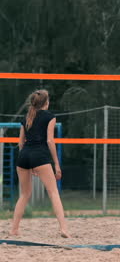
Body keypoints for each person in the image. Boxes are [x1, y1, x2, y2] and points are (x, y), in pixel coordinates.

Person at [10, 89, 71, 238]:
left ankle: (14, 230)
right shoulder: (50, 117)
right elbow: (50, 141)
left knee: (24, 195)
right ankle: (63, 229)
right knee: (53, 192)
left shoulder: (26, 118)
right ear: (46, 103)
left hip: (24, 157)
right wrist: (56, 164)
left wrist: (29, 164)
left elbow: (20, 143)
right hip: (40, 156)